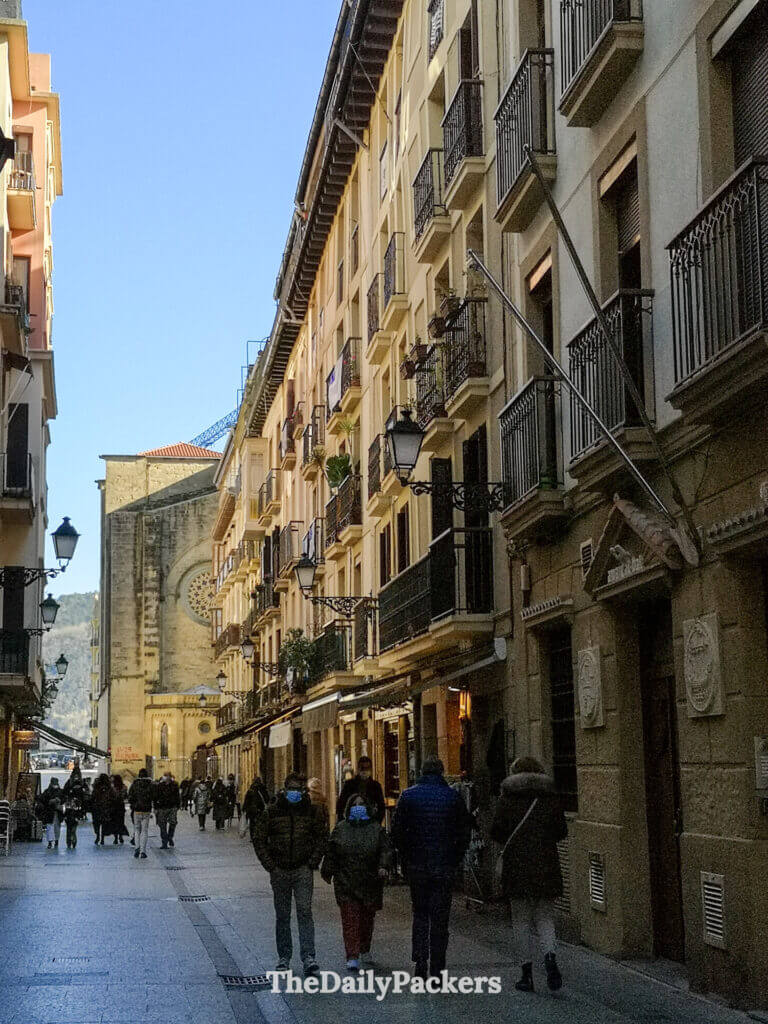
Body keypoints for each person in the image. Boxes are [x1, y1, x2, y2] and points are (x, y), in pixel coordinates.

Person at [491, 756, 568, 993]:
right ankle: (550, 958)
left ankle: (526, 974)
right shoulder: (550, 797)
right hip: (546, 864)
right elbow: (561, 831)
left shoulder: (508, 797)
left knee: (521, 921)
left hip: (517, 866)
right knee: (545, 918)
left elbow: (496, 832)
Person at [391, 756, 472, 979]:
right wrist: (455, 858)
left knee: (420, 914)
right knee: (440, 918)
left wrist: (406, 856)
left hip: (417, 866)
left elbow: (397, 833)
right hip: (444, 866)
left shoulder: (408, 796)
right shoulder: (453, 797)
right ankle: (438, 967)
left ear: (422, 772)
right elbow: (464, 833)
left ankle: (420, 962)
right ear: (442, 772)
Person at [251, 773, 328, 975]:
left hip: (303, 868)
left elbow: (321, 836)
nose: (295, 793)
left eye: (299, 790)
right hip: (280, 869)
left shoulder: (312, 811)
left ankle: (309, 957)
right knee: (282, 915)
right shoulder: (273, 811)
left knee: (305, 912)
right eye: (292, 789)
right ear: (285, 790)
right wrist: (270, 865)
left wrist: (313, 861)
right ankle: (284, 957)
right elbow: (259, 839)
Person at [321, 795, 391, 970]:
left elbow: (385, 850)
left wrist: (383, 866)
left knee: (367, 920)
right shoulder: (341, 829)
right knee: (350, 921)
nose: (358, 807)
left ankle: (364, 948)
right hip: (346, 882)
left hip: (369, 883)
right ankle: (352, 954)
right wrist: (327, 870)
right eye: (355, 805)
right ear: (349, 808)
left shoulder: (376, 829)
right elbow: (332, 851)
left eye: (361, 804)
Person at [335, 756, 385, 824]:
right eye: (362, 768)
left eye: (367, 768)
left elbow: (381, 807)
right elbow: (341, 805)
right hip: (351, 824)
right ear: (358, 769)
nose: (364, 771)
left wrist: (376, 823)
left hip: (369, 824)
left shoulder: (376, 786)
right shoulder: (349, 785)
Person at [127, 768, 154, 859]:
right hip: (146, 810)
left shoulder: (135, 784)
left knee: (137, 830)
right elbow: (153, 796)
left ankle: (137, 848)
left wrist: (133, 805)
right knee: (145, 831)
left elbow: (130, 796)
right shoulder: (150, 784)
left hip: (137, 810)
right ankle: (143, 851)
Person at [154, 770, 181, 849]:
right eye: (165, 775)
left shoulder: (175, 785)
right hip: (162, 807)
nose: (166, 777)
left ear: (170, 776)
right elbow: (156, 797)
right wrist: (156, 807)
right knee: (162, 825)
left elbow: (177, 796)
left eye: (167, 775)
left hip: (172, 807)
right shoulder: (160, 785)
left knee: (173, 823)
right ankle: (164, 841)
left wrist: (178, 805)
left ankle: (170, 837)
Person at [37, 778, 64, 849]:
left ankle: (55, 841)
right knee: (50, 828)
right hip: (50, 813)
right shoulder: (48, 792)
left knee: (55, 828)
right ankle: (51, 842)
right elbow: (42, 800)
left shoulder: (59, 792)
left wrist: (59, 802)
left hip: (57, 813)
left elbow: (64, 800)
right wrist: (50, 802)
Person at [90, 774, 113, 845]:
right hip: (106, 808)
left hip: (97, 808)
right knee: (104, 823)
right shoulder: (109, 788)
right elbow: (113, 798)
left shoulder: (96, 787)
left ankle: (97, 836)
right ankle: (102, 838)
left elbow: (92, 797)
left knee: (97, 823)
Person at [110, 775, 130, 845]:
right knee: (121, 822)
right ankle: (120, 836)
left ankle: (115, 838)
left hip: (114, 807)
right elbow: (126, 797)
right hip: (121, 807)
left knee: (115, 822)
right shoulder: (124, 787)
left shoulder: (112, 788)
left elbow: (110, 797)